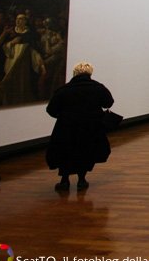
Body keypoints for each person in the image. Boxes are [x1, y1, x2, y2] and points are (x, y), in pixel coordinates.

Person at [45, 61, 114, 191]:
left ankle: (64, 180)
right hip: (90, 127)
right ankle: (82, 180)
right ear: (90, 73)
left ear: (75, 73)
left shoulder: (64, 90)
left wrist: (63, 117)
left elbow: (51, 109)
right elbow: (108, 103)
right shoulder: (98, 88)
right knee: (85, 151)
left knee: (66, 152)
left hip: (66, 127)